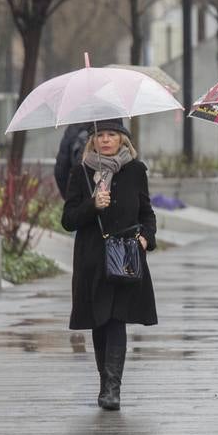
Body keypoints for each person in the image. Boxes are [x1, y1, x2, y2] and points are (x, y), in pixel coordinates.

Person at [61, 119, 157, 411]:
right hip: (92, 259)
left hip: (126, 255)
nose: (105, 140)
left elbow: (146, 212)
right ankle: (105, 381)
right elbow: (68, 220)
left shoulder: (135, 171)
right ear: (92, 140)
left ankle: (112, 388)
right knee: (100, 322)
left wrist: (146, 238)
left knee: (116, 319)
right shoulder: (81, 172)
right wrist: (93, 205)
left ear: (122, 139)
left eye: (111, 135)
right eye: (99, 135)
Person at [53, 122, 90, 199]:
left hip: (79, 196)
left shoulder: (74, 127)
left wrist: (70, 198)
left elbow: (61, 170)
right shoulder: (113, 120)